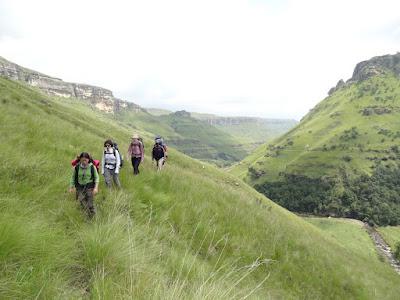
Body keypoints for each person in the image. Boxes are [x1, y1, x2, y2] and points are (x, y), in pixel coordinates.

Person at [69, 152, 99, 218]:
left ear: (88, 159)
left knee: (90, 204)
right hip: (79, 187)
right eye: (82, 160)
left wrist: (96, 188)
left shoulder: (92, 167)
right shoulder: (77, 167)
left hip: (89, 187)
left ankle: (94, 217)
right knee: (82, 201)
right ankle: (87, 216)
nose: (84, 161)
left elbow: (96, 177)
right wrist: (71, 187)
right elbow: (73, 177)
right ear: (80, 160)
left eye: (85, 160)